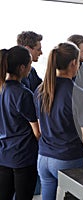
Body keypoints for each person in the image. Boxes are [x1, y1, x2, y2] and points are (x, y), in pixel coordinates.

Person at [34, 42, 83, 200]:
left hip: (43, 159)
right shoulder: (80, 95)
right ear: (74, 63)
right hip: (68, 159)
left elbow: (40, 128)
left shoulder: (40, 91)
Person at [0, 46, 40, 200]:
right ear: (22, 67)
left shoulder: (2, 89)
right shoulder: (23, 94)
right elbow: (37, 132)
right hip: (23, 157)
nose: (31, 68)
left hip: (3, 155)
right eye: (30, 64)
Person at [17, 30, 43, 195]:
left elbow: (42, 89)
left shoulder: (31, 72)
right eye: (38, 48)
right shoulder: (16, 87)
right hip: (20, 141)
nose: (41, 52)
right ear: (27, 48)